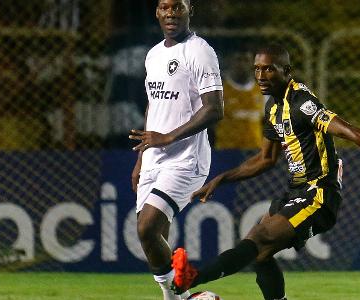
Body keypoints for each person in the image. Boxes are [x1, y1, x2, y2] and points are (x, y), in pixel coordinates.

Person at [171, 45, 360, 300]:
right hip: (295, 191)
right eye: (257, 69)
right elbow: (266, 158)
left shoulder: (301, 102)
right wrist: (221, 178)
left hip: (318, 193)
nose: (261, 76)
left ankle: (193, 278)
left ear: (287, 71)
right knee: (259, 255)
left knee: (259, 239)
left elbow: (345, 129)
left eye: (269, 69)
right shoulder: (273, 107)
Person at [128, 0, 224, 299]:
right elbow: (154, 106)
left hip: (186, 160)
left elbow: (215, 109)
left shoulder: (199, 51)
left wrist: (168, 138)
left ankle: (176, 297)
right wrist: (142, 157)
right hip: (155, 158)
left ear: (189, 10)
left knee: (146, 228)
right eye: (165, 7)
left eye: (178, 7)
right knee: (154, 236)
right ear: (156, 12)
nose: (171, 13)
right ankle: (185, 298)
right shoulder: (154, 54)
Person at [214, 50, 266, 149]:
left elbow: (266, 123)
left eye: (246, 60)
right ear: (230, 62)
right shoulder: (219, 91)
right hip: (226, 151)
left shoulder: (262, 92)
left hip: (254, 150)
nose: (242, 64)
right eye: (238, 60)